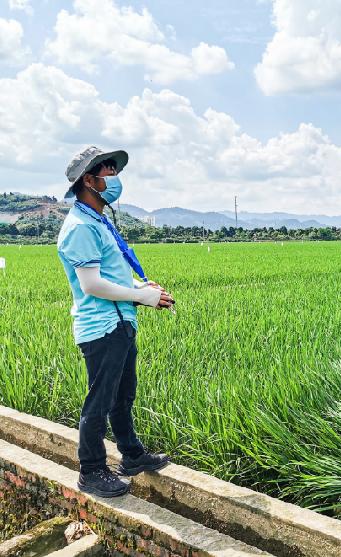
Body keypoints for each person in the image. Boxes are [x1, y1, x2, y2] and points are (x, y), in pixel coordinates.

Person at [57, 146, 175, 498]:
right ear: (89, 181)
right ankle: (91, 470)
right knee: (100, 399)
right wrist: (142, 296)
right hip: (102, 327)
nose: (115, 178)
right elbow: (91, 284)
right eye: (108, 171)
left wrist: (141, 286)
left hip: (121, 323)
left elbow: (113, 273)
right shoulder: (79, 226)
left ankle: (132, 454)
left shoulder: (99, 221)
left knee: (122, 396)